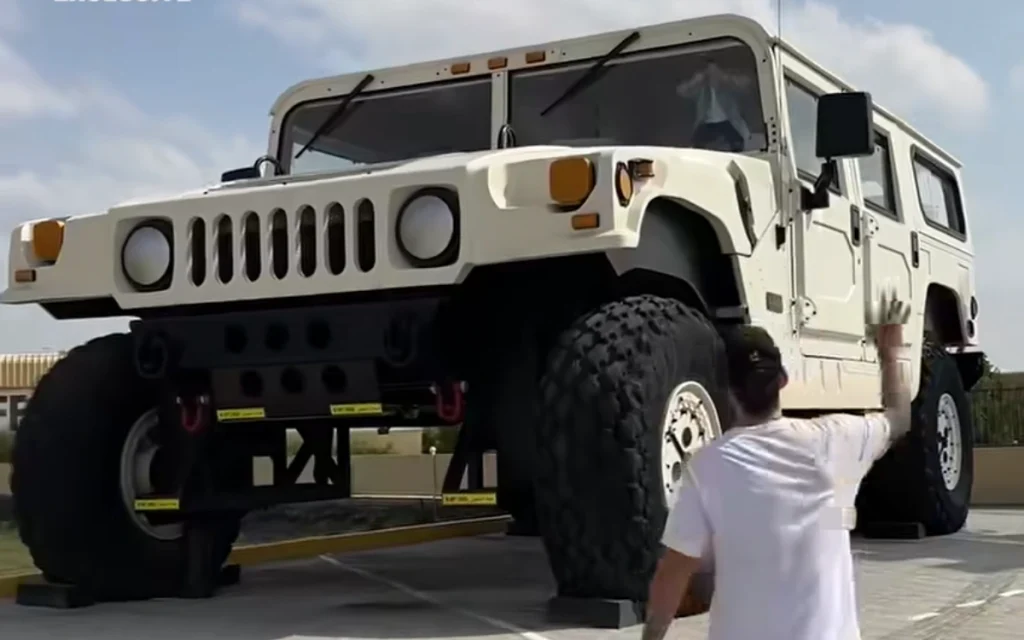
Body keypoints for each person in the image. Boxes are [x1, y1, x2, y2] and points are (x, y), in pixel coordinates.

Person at [641, 291, 913, 640]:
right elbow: (899, 417)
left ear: (727, 390)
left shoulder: (707, 467)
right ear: (782, 380)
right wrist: (892, 350)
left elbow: (674, 572)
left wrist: (653, 634)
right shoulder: (835, 440)